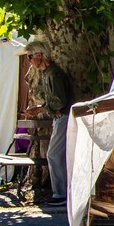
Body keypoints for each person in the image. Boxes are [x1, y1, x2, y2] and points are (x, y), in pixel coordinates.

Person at [22, 41, 73, 208]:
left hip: (64, 116)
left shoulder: (54, 74)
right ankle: (62, 192)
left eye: (30, 56)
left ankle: (61, 194)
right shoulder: (47, 73)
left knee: (53, 154)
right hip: (59, 117)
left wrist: (39, 110)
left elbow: (59, 101)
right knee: (57, 155)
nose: (29, 60)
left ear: (39, 55)